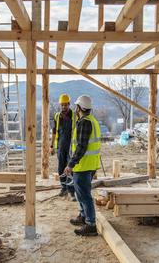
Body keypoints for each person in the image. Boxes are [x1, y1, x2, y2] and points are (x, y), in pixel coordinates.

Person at [64, 94, 101, 236]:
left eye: (76, 106)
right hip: (89, 164)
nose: (75, 109)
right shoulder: (93, 121)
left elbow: (81, 147)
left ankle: (90, 224)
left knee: (84, 195)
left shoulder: (84, 122)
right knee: (81, 194)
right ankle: (83, 216)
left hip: (83, 166)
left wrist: (70, 164)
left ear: (79, 107)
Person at [51, 93, 77, 198]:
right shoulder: (57, 116)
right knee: (61, 168)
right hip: (60, 147)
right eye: (62, 105)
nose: (63, 107)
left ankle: (71, 191)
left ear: (69, 104)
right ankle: (63, 188)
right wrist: (51, 146)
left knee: (70, 168)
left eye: (65, 105)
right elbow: (53, 132)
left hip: (71, 147)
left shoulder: (74, 115)